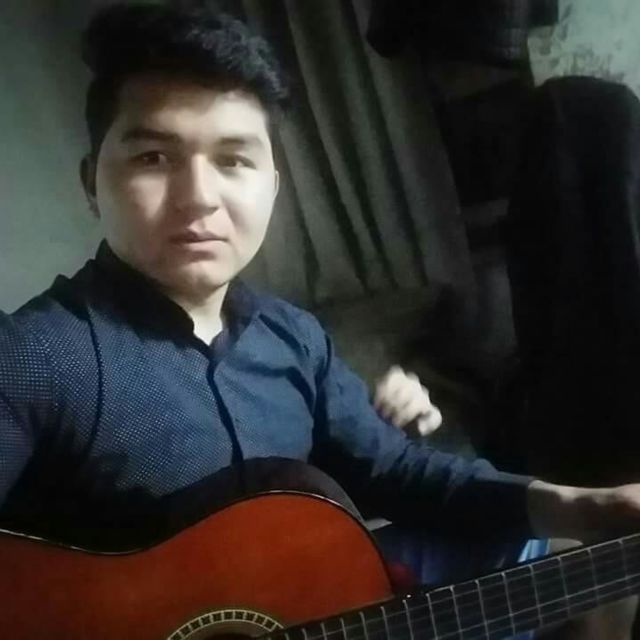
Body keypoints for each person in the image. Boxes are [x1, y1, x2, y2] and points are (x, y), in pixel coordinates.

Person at [0, 4, 638, 638]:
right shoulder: (32, 358)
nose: (199, 197)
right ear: (92, 184)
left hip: (310, 609)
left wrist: (576, 503)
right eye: (153, 158)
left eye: (233, 160)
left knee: (559, 556)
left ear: (272, 186)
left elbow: (396, 472)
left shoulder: (294, 338)